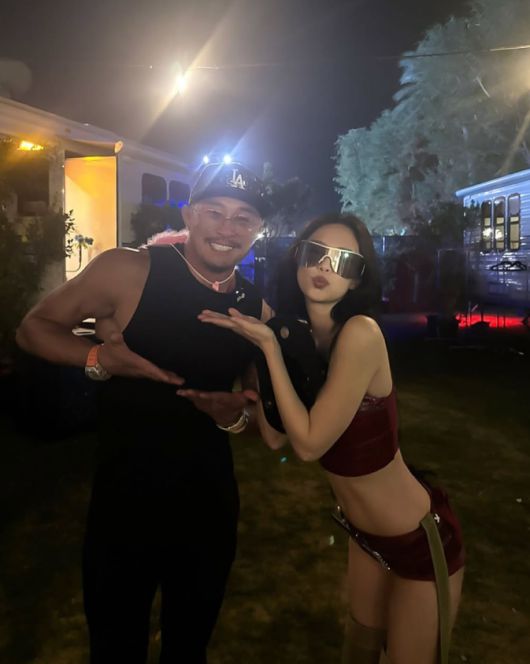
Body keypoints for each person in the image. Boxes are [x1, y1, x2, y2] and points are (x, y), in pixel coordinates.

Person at [16, 161, 273, 664]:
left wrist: (235, 415)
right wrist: (99, 358)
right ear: (189, 215)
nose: (227, 228)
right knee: (116, 648)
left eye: (243, 217)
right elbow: (34, 329)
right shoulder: (130, 270)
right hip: (125, 502)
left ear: (257, 229)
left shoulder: (254, 308)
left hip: (209, 505)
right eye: (215, 212)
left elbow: (259, 408)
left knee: (189, 648)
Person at [197, 213, 465, 664]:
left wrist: (269, 349)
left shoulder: (360, 334)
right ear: (298, 258)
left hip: (418, 537)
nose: (325, 266)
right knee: (358, 654)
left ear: (357, 278)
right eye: (316, 253)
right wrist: (252, 380)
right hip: (364, 534)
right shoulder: (297, 337)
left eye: (344, 261)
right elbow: (277, 438)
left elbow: (308, 446)